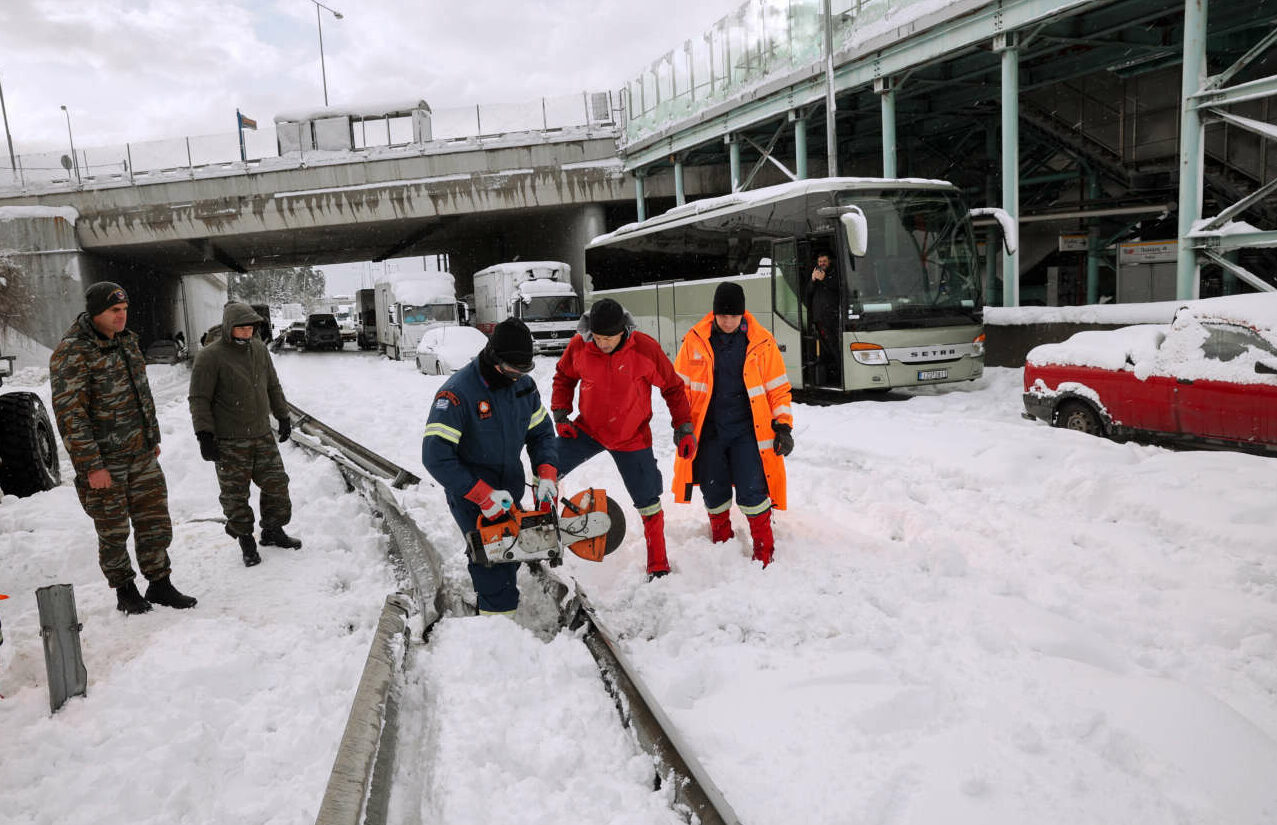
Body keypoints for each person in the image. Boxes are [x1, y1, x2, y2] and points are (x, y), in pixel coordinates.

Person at [50, 281, 198, 614]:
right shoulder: (73, 351)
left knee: (154, 520)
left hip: (141, 453)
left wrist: (152, 438)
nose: (122, 316)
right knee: (113, 528)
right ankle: (125, 589)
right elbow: (71, 416)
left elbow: (141, 395)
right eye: (114, 310)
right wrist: (91, 466)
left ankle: (160, 583)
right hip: (105, 461)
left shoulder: (127, 342)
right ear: (96, 312)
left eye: (125, 309)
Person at [421, 318, 558, 616]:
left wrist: (546, 474)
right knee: (494, 566)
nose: (516, 377)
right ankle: (496, 632)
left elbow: (542, 434)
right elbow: (435, 456)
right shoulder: (457, 394)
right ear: (495, 358)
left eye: (523, 371)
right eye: (512, 370)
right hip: (471, 494)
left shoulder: (523, 387)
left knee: (509, 554)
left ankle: (496, 611)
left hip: (508, 490)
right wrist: (483, 495)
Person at [551, 298, 694, 580]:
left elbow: (674, 388)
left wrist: (684, 427)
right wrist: (560, 413)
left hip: (632, 435)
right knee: (546, 470)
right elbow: (564, 377)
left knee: (649, 500)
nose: (601, 344)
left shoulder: (644, 348)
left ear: (623, 331)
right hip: (588, 429)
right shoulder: (580, 345)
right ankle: (545, 537)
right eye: (598, 337)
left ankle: (658, 563)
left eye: (608, 338)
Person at [672, 281, 794, 567]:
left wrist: (784, 426)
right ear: (714, 313)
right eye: (722, 315)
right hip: (710, 431)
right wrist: (681, 425)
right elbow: (680, 390)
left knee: (753, 490)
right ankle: (722, 546)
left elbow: (778, 389)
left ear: (743, 314)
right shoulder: (695, 342)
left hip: (747, 432)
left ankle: (764, 552)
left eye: (733, 316)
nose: (727, 321)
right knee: (714, 490)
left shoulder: (762, 343)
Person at [189, 302, 300, 568]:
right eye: (242, 327)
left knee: (277, 485)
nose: (247, 331)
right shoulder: (210, 356)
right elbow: (199, 398)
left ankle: (272, 530)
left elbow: (272, 384)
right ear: (229, 328)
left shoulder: (259, 350)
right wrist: (204, 435)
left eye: (251, 327)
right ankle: (246, 540)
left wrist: (282, 416)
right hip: (229, 440)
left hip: (262, 434)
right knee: (235, 495)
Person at [807, 252, 841, 382]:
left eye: (824, 261)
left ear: (829, 262)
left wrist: (824, 279)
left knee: (836, 346)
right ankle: (834, 372)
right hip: (820, 318)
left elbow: (838, 287)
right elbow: (808, 293)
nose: (822, 264)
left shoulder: (835, 273)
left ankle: (840, 371)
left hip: (833, 316)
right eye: (820, 261)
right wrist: (813, 280)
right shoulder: (815, 273)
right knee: (828, 347)